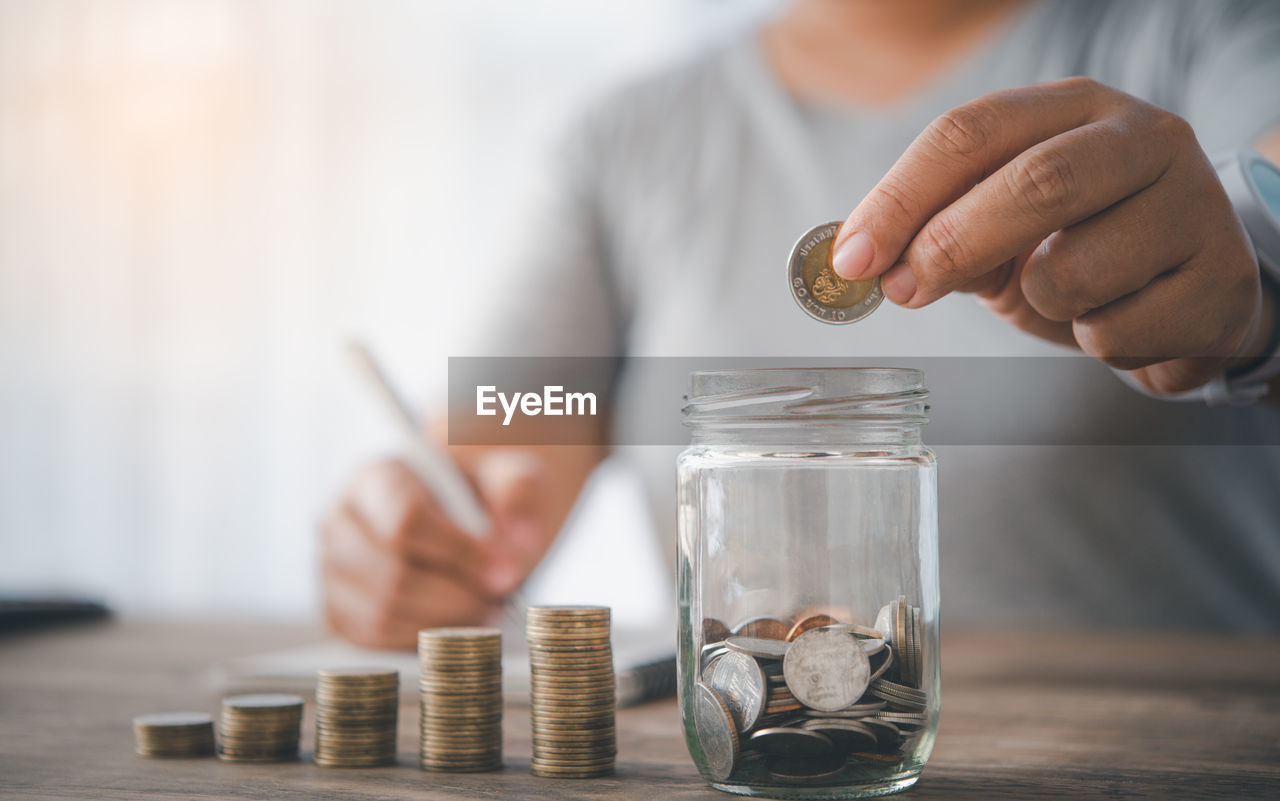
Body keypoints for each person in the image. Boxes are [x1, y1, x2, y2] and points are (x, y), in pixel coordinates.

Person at [322, 0, 1280, 649]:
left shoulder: (1211, 36)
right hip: (762, 742)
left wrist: (1250, 261)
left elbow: (1263, 202)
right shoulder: (629, 140)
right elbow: (524, 419)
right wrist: (417, 524)